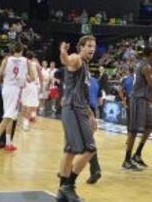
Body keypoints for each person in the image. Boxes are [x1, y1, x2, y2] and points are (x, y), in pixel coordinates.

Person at [56, 35, 98, 202]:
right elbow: (67, 60)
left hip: (77, 109)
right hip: (73, 109)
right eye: (88, 45)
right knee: (90, 148)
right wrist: (63, 53)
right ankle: (69, 185)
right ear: (81, 47)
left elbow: (83, 94)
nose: (92, 49)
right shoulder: (77, 59)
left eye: (94, 46)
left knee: (70, 150)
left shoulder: (86, 67)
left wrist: (91, 115)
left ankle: (61, 191)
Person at [122, 46, 152, 171]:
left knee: (150, 126)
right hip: (137, 100)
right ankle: (126, 160)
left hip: (143, 99)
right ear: (151, 55)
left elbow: (145, 88)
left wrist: (150, 99)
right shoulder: (146, 67)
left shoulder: (146, 67)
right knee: (133, 130)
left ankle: (137, 154)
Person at [0, 42, 34, 155]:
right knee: (8, 116)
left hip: (5, 89)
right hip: (15, 91)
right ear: (22, 50)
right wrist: (24, 77)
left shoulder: (6, 59)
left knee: (11, 116)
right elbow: (31, 79)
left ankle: (8, 144)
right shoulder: (26, 61)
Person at [21, 51, 43, 131]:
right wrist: (42, 86)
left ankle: (25, 121)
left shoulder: (23, 64)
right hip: (32, 85)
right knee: (30, 105)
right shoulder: (36, 64)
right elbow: (41, 76)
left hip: (24, 86)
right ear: (33, 57)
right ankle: (26, 123)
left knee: (24, 105)